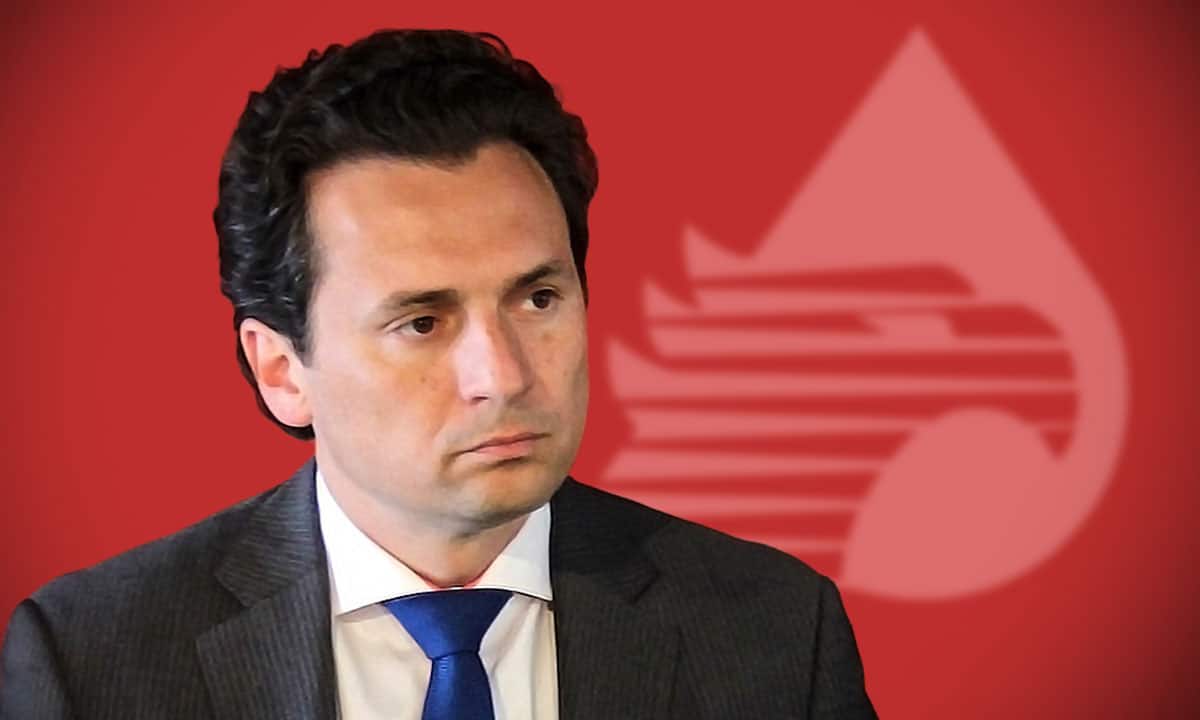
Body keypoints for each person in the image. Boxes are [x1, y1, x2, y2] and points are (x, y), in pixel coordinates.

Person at [0, 29, 876, 719]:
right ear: (281, 370)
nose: (503, 375)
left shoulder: (772, 633)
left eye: (537, 299)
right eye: (422, 322)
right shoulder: (91, 657)